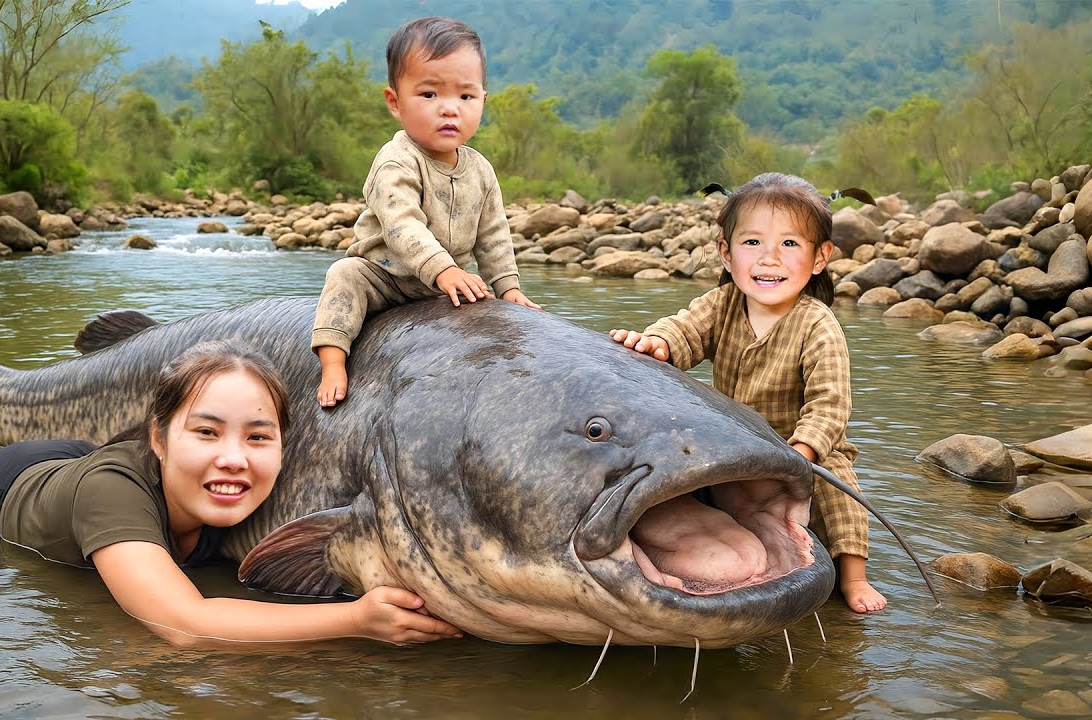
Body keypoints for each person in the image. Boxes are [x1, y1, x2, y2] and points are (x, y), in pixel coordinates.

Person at [0, 339, 463, 645]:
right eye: (206, 432)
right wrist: (357, 620)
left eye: (258, 437)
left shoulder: (248, 482)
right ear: (159, 438)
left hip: (85, 464)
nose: (234, 457)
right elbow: (181, 624)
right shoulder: (109, 492)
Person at [608, 172, 886, 614]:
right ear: (726, 251)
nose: (769, 258)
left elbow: (830, 405)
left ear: (820, 257)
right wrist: (657, 342)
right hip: (734, 444)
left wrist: (801, 452)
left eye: (789, 244)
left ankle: (855, 577)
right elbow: (683, 330)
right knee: (679, 472)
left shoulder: (817, 325)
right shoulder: (721, 305)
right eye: (752, 242)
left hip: (801, 447)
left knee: (842, 493)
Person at [311, 16, 541, 408]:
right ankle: (333, 363)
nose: (449, 109)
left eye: (465, 97)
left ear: (483, 101)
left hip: (442, 284)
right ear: (395, 102)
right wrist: (443, 269)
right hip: (386, 277)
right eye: (430, 94)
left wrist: (508, 287)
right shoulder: (396, 159)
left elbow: (493, 234)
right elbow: (402, 225)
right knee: (344, 275)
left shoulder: (480, 170)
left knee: (491, 313)